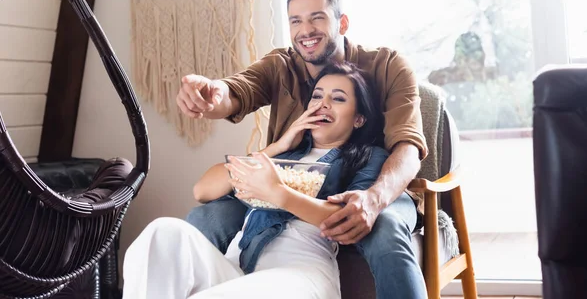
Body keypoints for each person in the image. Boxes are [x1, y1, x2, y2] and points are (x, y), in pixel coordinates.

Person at [179, 0, 428, 298]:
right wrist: (212, 92)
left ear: (343, 22)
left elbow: (408, 147)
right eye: (296, 21)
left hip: (372, 185)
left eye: (317, 18)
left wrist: (374, 199)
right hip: (294, 180)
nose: (305, 30)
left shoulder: (388, 65)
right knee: (206, 216)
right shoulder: (281, 65)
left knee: (386, 230)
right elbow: (236, 90)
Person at [122, 63, 389, 298]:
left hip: (297, 272)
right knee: (163, 232)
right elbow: (203, 189)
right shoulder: (286, 151)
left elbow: (347, 217)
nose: (323, 103)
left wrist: (279, 193)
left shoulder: (367, 157)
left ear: (359, 119)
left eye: (338, 99)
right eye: (317, 96)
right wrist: (279, 145)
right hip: (237, 267)